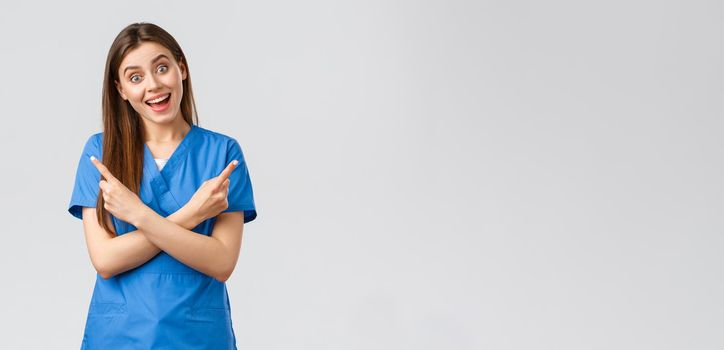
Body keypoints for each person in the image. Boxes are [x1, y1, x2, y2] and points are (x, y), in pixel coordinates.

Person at [67, 22, 257, 349]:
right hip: (119, 337)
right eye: (135, 77)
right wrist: (190, 215)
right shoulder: (101, 153)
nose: (153, 85)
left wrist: (138, 215)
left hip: (198, 336)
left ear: (181, 68)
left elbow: (222, 262)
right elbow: (106, 260)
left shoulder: (222, 153)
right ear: (121, 89)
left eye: (162, 68)